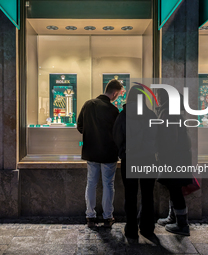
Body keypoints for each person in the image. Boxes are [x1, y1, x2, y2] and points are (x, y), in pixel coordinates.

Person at [113, 85, 157, 240]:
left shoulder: (123, 115)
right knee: (147, 195)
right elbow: (157, 137)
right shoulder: (151, 115)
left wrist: (124, 151)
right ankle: (147, 227)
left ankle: (131, 228)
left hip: (130, 160)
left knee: (130, 195)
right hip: (149, 160)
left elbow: (117, 136)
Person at [77, 79, 123, 228]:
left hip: (91, 152)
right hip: (109, 153)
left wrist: (91, 136)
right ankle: (108, 217)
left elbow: (80, 126)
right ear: (115, 93)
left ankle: (90, 216)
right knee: (108, 184)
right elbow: (118, 133)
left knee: (91, 182)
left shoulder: (88, 104)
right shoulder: (113, 110)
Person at [155, 89, 193, 236]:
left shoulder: (168, 112)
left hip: (174, 159)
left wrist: (163, 156)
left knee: (175, 190)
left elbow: (170, 139)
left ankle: (182, 224)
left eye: (157, 95)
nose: (156, 97)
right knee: (173, 188)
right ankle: (174, 217)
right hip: (178, 157)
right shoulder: (172, 111)